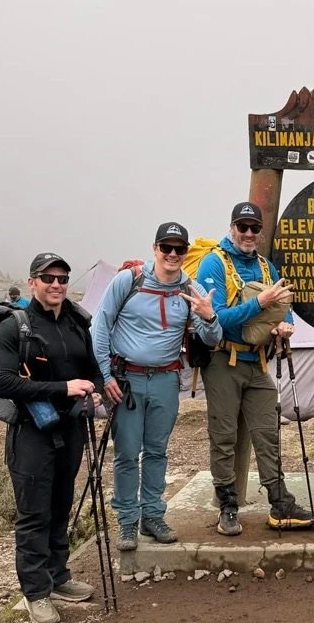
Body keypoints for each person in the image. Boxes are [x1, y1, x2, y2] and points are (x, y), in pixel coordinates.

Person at [0, 253, 103, 623]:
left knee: (61, 503)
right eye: (48, 278)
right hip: (31, 432)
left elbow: (92, 368)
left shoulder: (75, 322)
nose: (56, 284)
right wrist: (63, 387)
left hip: (69, 427)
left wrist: (97, 390)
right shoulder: (14, 327)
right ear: (32, 281)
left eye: (62, 278)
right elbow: (2, 381)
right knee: (34, 512)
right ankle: (36, 591)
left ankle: (58, 576)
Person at [91, 222, 222, 551]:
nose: (173, 254)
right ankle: (126, 521)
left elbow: (212, 339)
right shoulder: (129, 280)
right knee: (125, 453)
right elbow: (100, 324)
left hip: (166, 380)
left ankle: (152, 516)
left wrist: (208, 316)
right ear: (155, 249)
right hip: (126, 381)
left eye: (180, 249)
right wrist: (105, 376)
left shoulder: (190, 289)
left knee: (156, 452)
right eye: (167, 247)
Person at [196, 201, 314, 534]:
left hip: (258, 362)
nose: (249, 233)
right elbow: (215, 318)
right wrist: (259, 304)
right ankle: (227, 507)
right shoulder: (214, 263)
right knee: (223, 437)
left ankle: (280, 505)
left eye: (254, 228)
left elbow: (284, 305)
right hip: (223, 361)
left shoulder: (266, 267)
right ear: (232, 228)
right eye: (243, 227)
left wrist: (286, 324)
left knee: (268, 434)